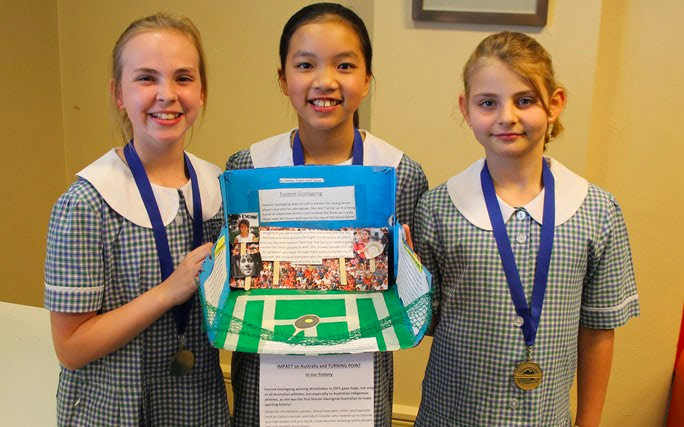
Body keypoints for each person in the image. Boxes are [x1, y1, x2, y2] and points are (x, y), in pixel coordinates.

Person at [413, 31, 639, 426]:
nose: (507, 116)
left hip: (546, 418)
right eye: (488, 103)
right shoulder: (437, 208)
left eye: (525, 100)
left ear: (555, 104)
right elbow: (426, 321)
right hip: (450, 415)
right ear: (466, 109)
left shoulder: (598, 210)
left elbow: (599, 330)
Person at [225, 3, 428, 425]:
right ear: (283, 79)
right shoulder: (248, 168)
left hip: (355, 382)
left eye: (345, 65)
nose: (325, 81)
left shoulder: (399, 174)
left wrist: (413, 275)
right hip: (269, 382)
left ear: (368, 79)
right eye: (305, 64)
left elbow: (410, 302)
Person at [44, 12, 230, 426]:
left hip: (196, 405)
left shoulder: (217, 187)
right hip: (115, 409)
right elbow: (71, 348)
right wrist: (168, 292)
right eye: (147, 78)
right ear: (118, 93)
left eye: (183, 78)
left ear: (202, 92)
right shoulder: (88, 203)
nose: (167, 94)